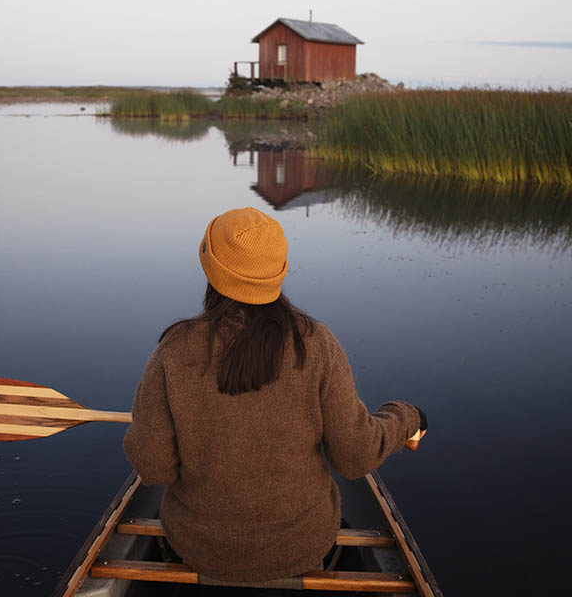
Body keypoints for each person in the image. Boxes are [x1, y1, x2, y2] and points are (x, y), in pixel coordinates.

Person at [123, 206, 427, 584]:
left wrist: (146, 428)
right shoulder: (317, 344)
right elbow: (354, 456)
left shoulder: (173, 350)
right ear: (278, 271)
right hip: (304, 547)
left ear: (210, 268)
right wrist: (407, 417)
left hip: (197, 547)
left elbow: (154, 469)